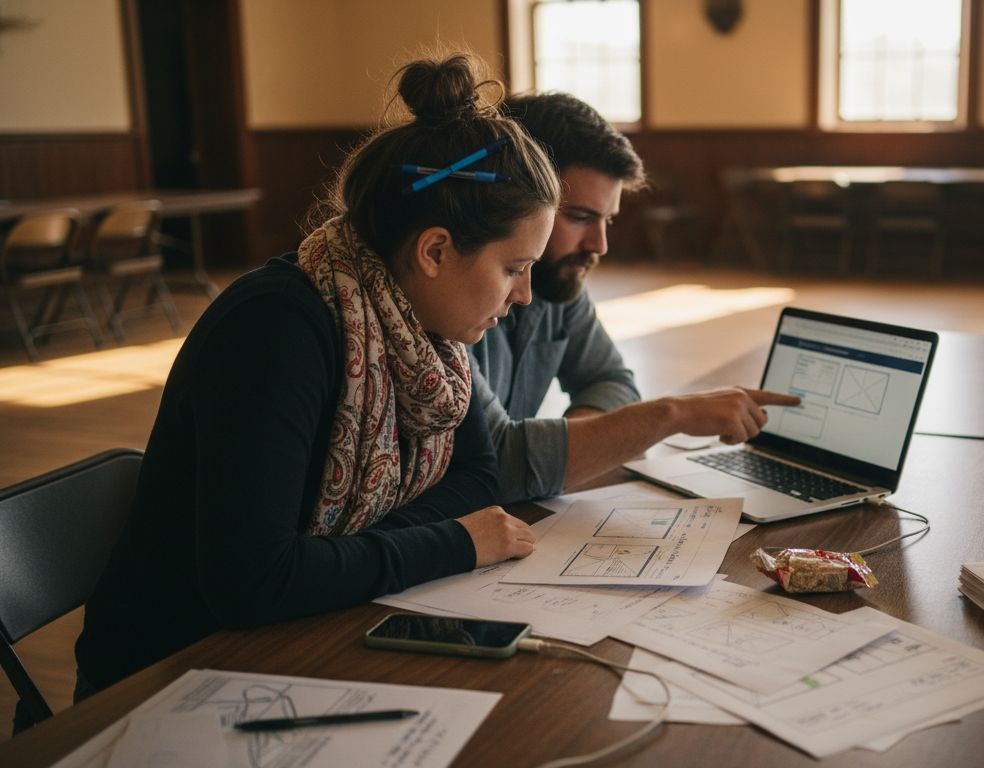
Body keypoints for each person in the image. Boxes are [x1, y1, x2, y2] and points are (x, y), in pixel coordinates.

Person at [74, 54, 559, 695]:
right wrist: (450, 545)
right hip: (173, 675)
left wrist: (348, 559)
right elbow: (254, 583)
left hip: (309, 630)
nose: (524, 296)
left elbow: (477, 473)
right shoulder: (274, 329)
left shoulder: (425, 333)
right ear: (435, 251)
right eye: (514, 268)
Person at [471, 93, 799, 504]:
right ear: (515, 199)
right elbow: (496, 464)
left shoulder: (560, 283)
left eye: (608, 220)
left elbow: (612, 382)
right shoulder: (453, 302)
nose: (601, 244)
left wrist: (579, 446)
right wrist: (669, 415)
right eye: (580, 216)